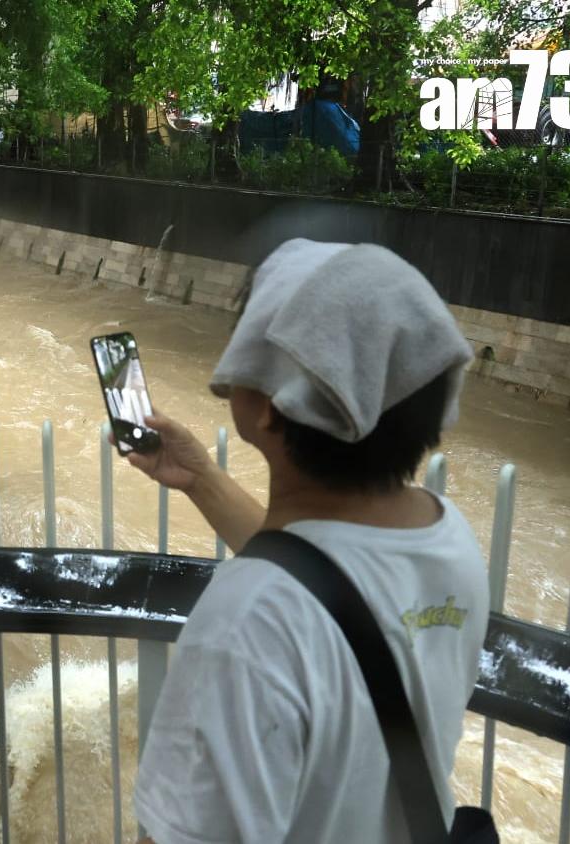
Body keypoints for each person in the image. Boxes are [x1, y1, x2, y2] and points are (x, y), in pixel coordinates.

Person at [127, 238, 489, 843]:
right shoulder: (445, 538)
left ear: (270, 404)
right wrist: (203, 481)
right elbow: (329, 580)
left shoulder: (242, 626)